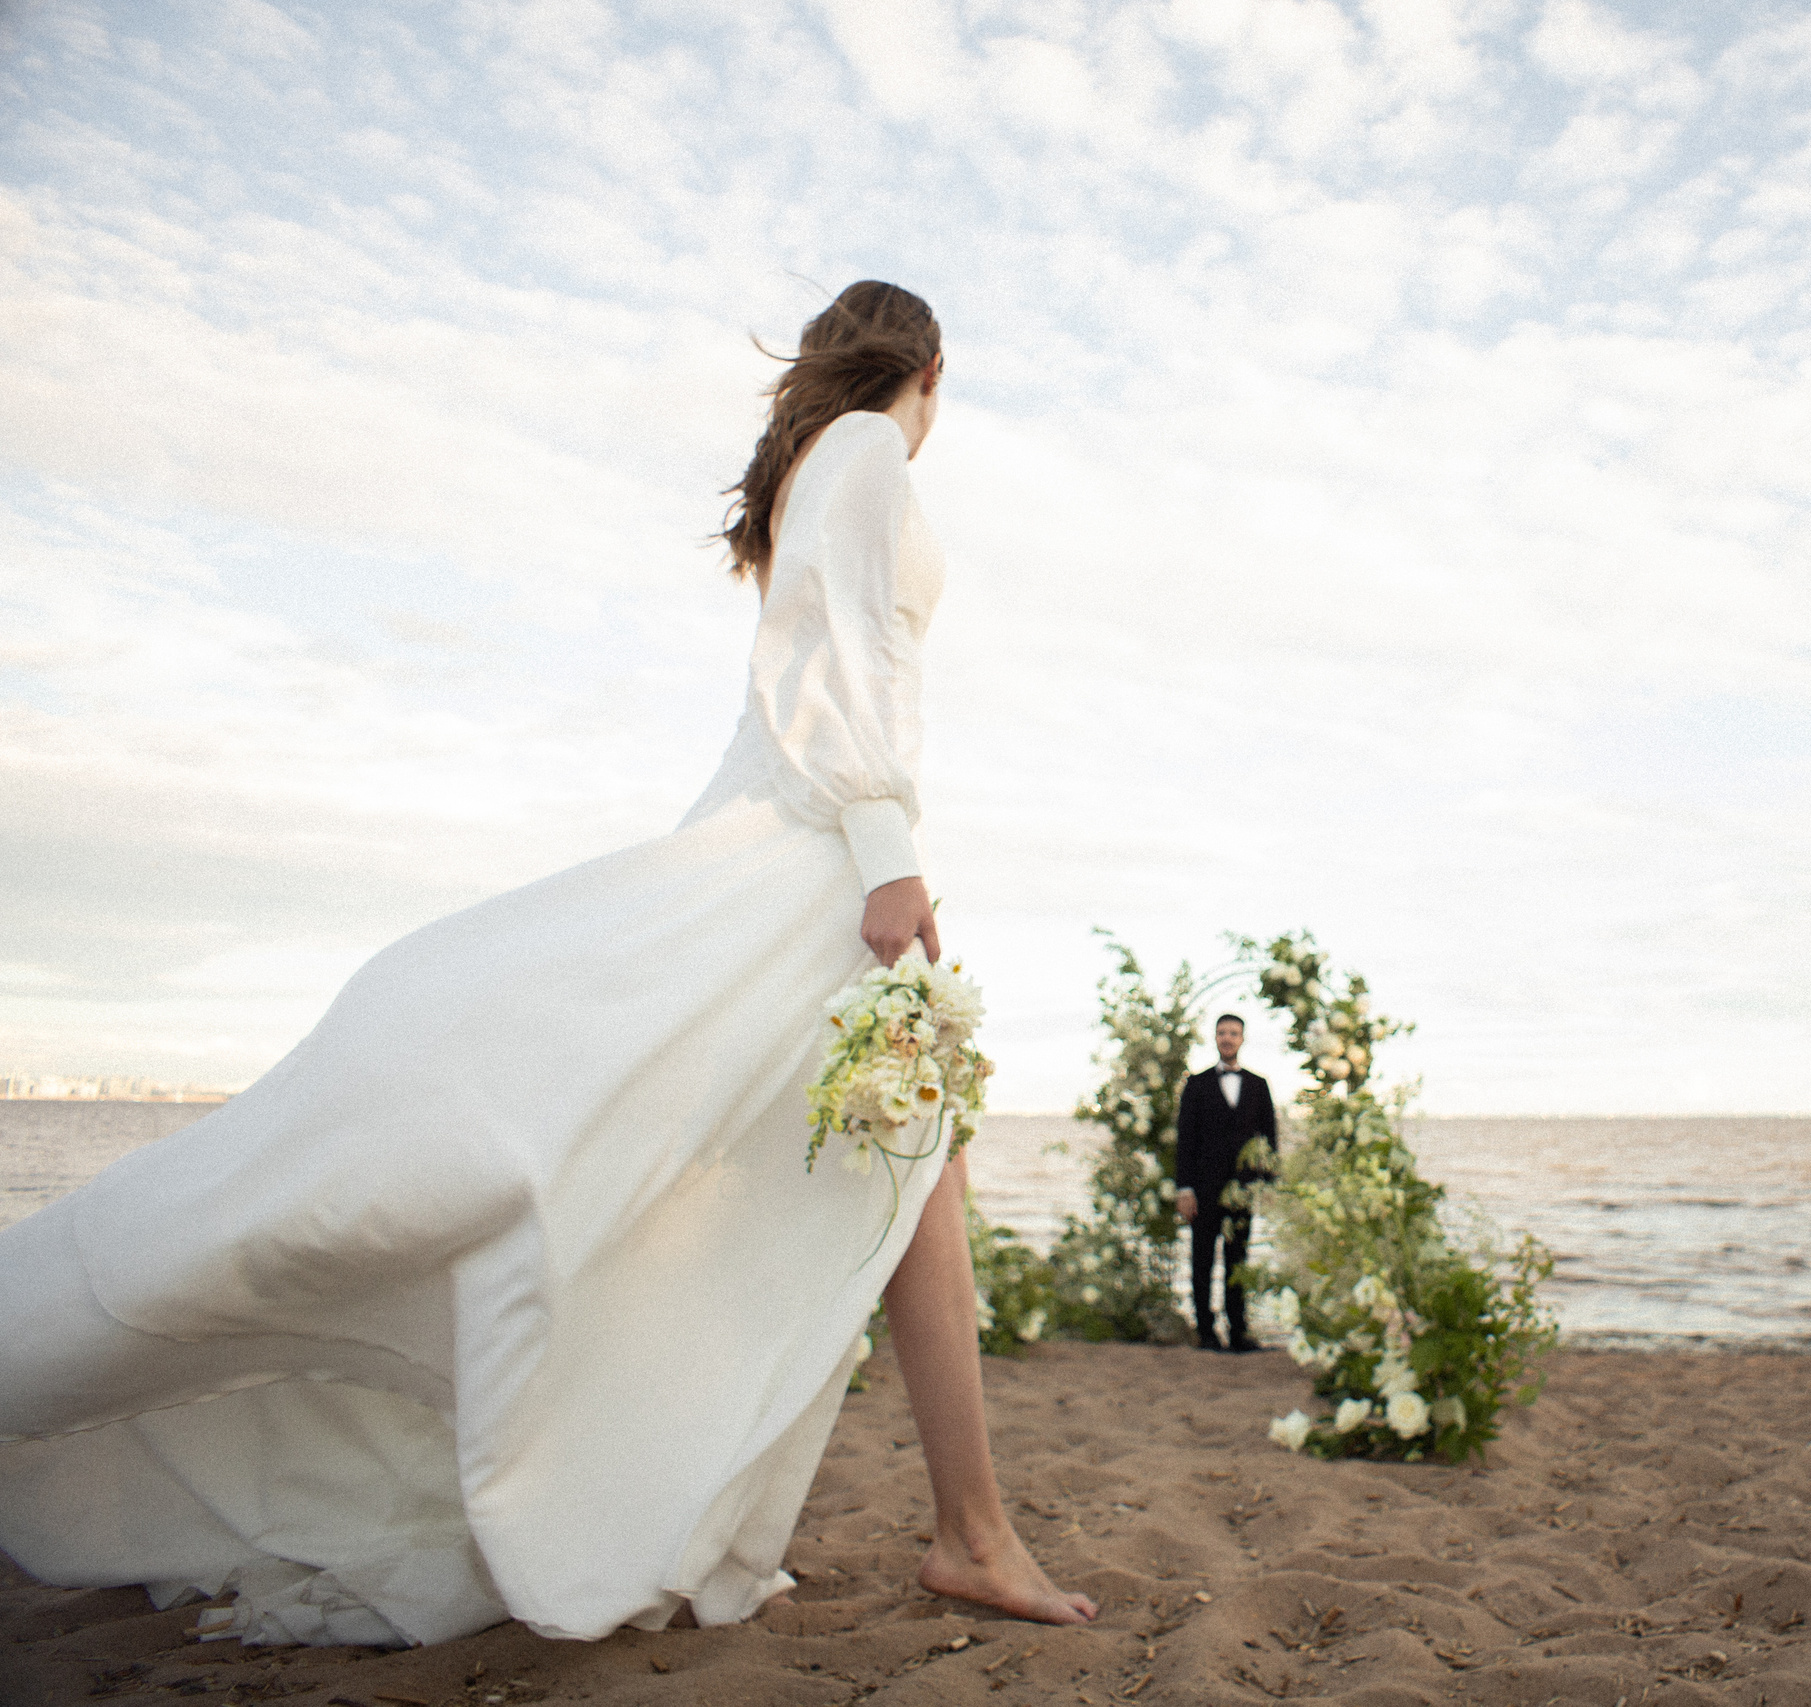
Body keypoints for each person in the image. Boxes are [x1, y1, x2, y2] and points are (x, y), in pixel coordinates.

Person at [0, 281, 1095, 1645]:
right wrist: (887, 854)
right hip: (820, 859)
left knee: (913, 1151)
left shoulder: (812, 467)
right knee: (907, 1146)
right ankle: (970, 1528)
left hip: (808, 843)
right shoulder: (869, 455)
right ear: (933, 366)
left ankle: (962, 1521)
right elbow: (845, 665)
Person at [1173, 1014, 1277, 1352]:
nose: (1227, 1038)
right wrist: (1184, 1188)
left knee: (1238, 1260)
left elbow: (1269, 1140)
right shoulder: (1197, 1084)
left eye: (1233, 1033)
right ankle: (1205, 1331)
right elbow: (1185, 1140)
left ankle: (1238, 1331)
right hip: (1203, 1189)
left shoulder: (1258, 1086)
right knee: (1201, 1259)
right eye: (1222, 1033)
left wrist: (1267, 1185)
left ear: (1242, 1038)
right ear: (1215, 1038)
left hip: (1242, 1190)